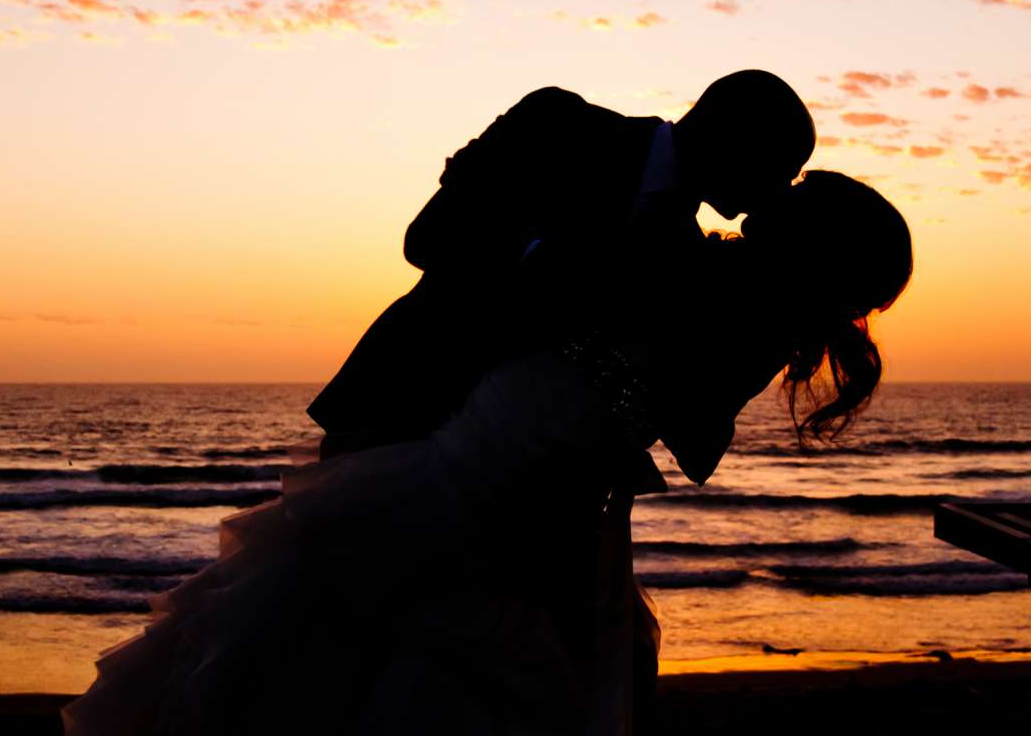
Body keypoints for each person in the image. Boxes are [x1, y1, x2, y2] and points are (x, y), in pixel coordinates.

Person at [5, 169, 913, 736]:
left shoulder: (726, 292)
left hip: (513, 472)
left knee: (433, 703)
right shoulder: (723, 281)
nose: (779, 188)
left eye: (802, 190)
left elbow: (644, 383)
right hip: (500, 449)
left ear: (812, 240)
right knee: (375, 673)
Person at [307, 69, 817, 486]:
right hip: (395, 419)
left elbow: (683, 433)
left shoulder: (689, 259)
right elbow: (429, 238)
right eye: (782, 168)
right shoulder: (560, 123)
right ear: (736, 137)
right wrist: (540, 266)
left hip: (515, 487)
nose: (778, 191)